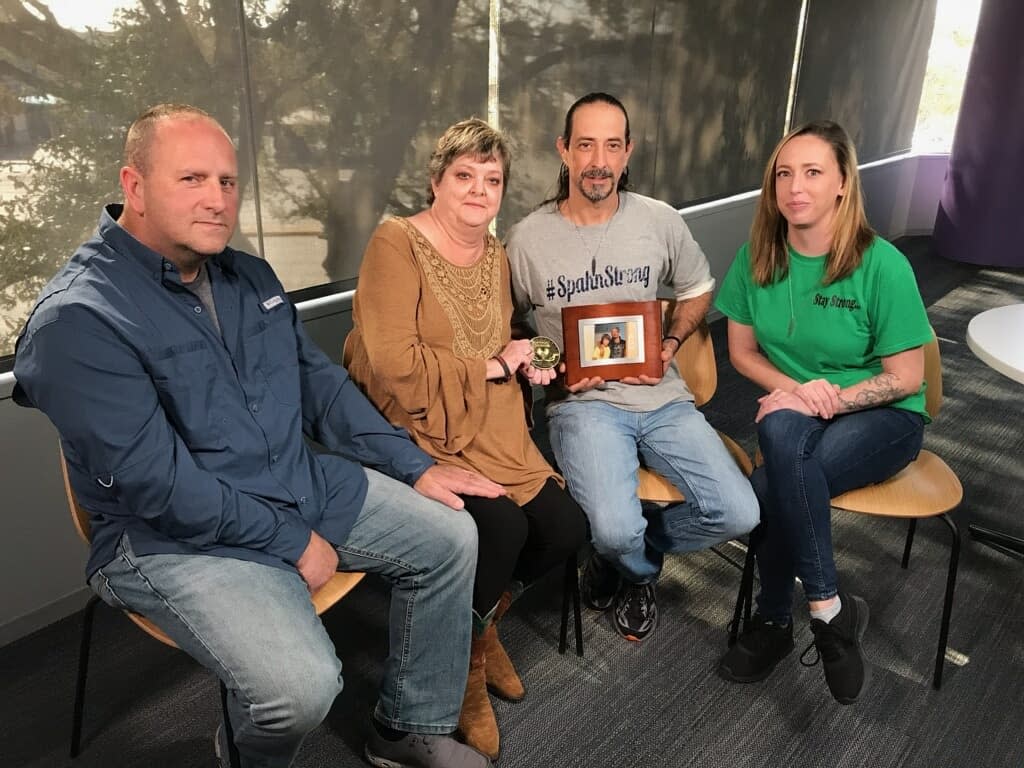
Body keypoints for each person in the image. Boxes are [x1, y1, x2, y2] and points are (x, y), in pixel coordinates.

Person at [12, 104, 496, 768]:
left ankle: (407, 727)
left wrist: (412, 466)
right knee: (299, 690)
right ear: (134, 184)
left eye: (227, 181)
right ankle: (246, 755)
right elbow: (159, 485)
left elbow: (315, 384)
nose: (217, 200)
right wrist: (292, 541)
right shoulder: (78, 320)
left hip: (293, 481)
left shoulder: (249, 277)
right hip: (169, 534)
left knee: (451, 535)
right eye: (192, 180)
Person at [345, 118, 587, 760]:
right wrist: (499, 366)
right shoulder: (396, 242)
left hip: (488, 416)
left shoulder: (497, 252)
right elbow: (395, 363)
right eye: (465, 176)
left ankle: (476, 629)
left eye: (492, 179)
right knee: (502, 530)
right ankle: (467, 675)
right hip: (414, 422)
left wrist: (535, 355)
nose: (479, 191)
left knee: (566, 530)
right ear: (436, 182)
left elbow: (509, 330)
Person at [505, 92, 759, 643]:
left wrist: (669, 343)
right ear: (565, 151)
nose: (599, 160)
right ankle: (633, 568)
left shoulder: (658, 221)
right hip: (585, 406)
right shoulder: (527, 239)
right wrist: (559, 364)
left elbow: (697, 287)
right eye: (586, 144)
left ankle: (622, 557)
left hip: (661, 397)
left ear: (628, 153)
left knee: (739, 513)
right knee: (612, 527)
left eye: (612, 145)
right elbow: (511, 330)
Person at [714, 120, 933, 704]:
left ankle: (774, 621)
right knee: (784, 434)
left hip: (885, 418)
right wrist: (798, 390)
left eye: (813, 172)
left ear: (842, 183)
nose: (795, 186)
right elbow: (740, 352)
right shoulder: (757, 256)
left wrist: (826, 398)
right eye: (784, 173)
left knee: (770, 479)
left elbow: (907, 378)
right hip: (799, 413)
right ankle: (828, 610)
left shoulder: (881, 264)